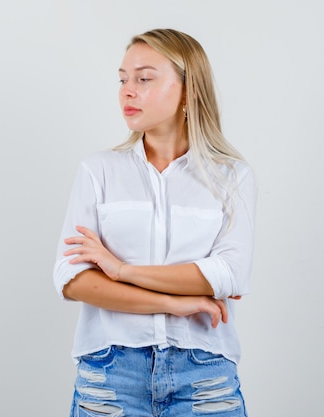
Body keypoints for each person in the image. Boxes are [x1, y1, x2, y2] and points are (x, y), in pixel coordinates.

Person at [53, 28, 256, 417]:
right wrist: (172, 303)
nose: (128, 91)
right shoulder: (99, 171)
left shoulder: (232, 177)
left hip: (204, 376)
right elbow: (72, 279)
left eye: (144, 79)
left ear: (189, 91)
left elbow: (228, 275)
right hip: (110, 377)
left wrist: (119, 269)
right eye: (123, 79)